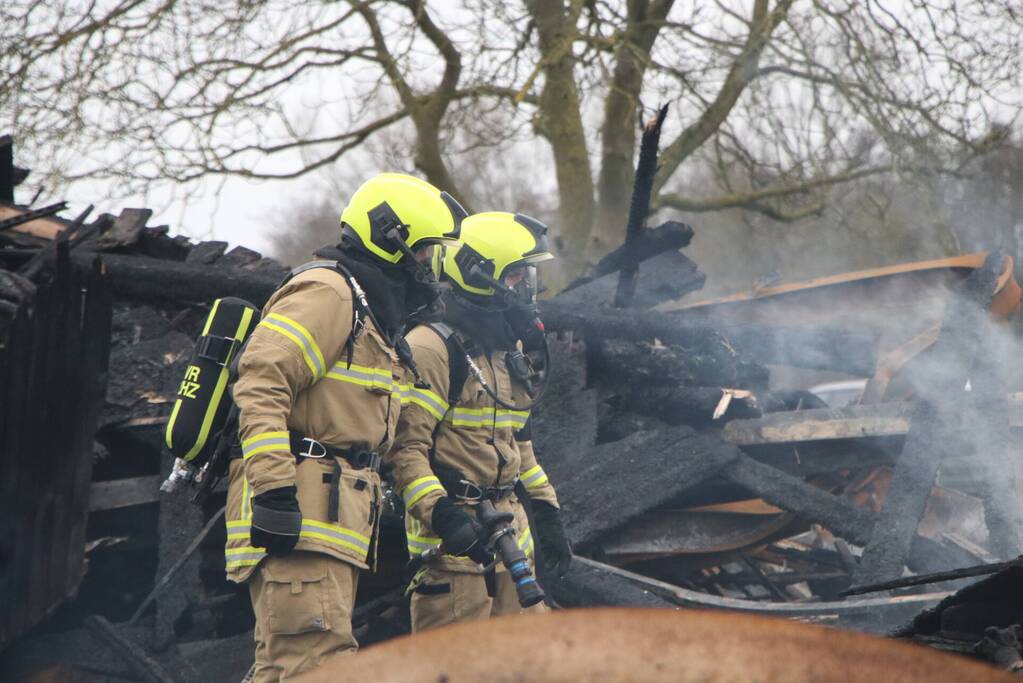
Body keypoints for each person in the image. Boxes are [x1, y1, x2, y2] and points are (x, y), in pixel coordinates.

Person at [224, 173, 465, 681]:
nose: (430, 267)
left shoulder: (373, 315)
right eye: (424, 251)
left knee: (287, 669)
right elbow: (261, 379)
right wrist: (272, 492)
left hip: (332, 524)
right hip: (300, 518)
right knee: (317, 668)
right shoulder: (330, 294)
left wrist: (439, 509)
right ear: (389, 238)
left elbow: (387, 440)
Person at [386, 211, 572, 632]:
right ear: (479, 274)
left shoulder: (506, 346)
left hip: (514, 548)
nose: (524, 288)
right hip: (452, 553)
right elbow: (404, 450)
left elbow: (518, 442)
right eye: (514, 277)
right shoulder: (431, 347)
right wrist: (444, 517)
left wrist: (547, 512)